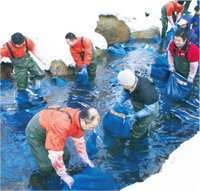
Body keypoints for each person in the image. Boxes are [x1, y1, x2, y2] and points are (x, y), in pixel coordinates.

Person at [26, 105, 100, 189]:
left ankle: (57, 171)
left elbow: (78, 140)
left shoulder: (79, 119)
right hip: (36, 132)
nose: (91, 129)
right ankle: (37, 179)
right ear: (83, 120)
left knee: (66, 156)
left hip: (51, 126)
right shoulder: (62, 125)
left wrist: (84, 157)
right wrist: (63, 175)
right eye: (90, 127)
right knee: (46, 166)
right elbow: (55, 154)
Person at [116, 70, 159, 140]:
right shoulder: (131, 82)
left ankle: (134, 138)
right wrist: (117, 105)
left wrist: (134, 115)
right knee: (139, 120)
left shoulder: (148, 94)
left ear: (129, 85)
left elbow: (150, 110)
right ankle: (144, 129)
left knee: (140, 126)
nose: (121, 86)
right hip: (140, 103)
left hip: (149, 110)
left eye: (122, 85)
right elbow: (123, 95)